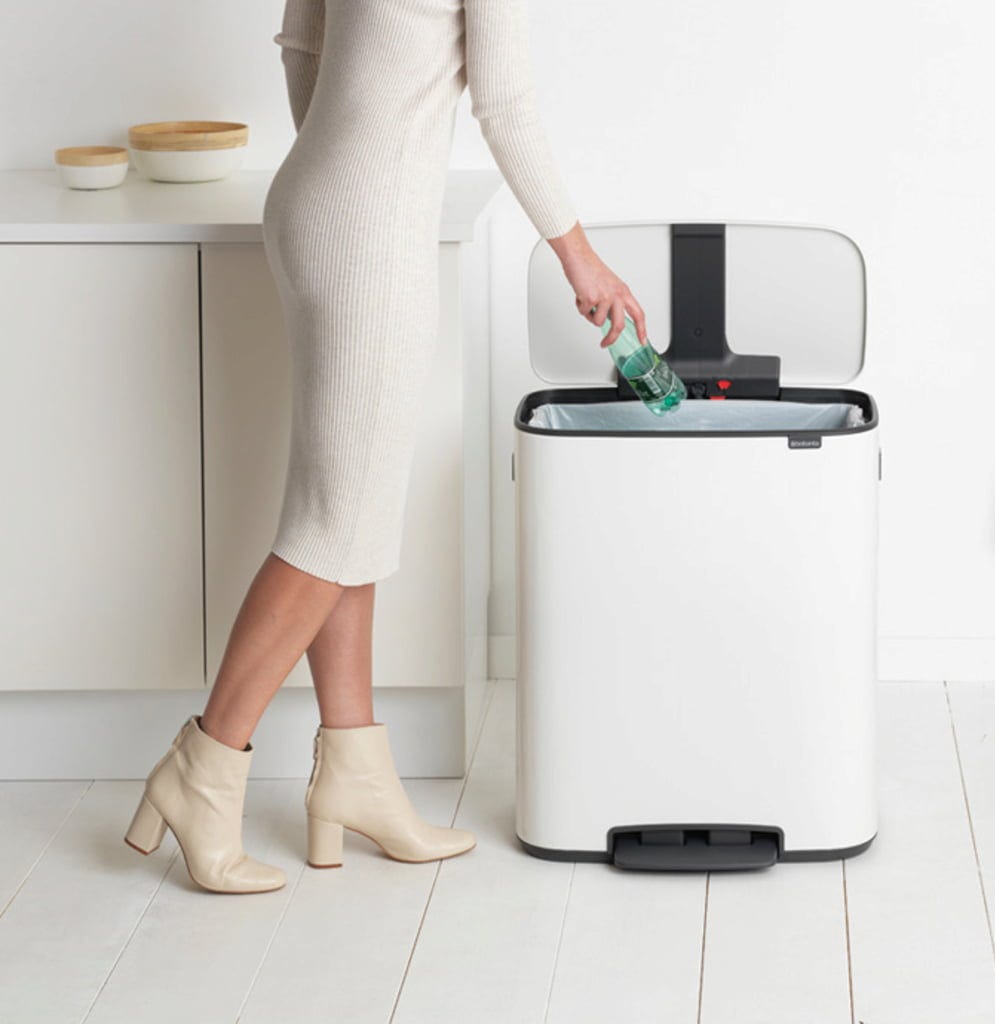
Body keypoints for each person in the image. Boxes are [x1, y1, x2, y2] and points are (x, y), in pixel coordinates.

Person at [123, 0, 646, 894]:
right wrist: (580, 257)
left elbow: (301, 47)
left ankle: (356, 774)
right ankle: (202, 769)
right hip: (371, 234)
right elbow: (505, 104)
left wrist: (342, 162)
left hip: (311, 203)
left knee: (348, 510)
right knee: (333, 526)